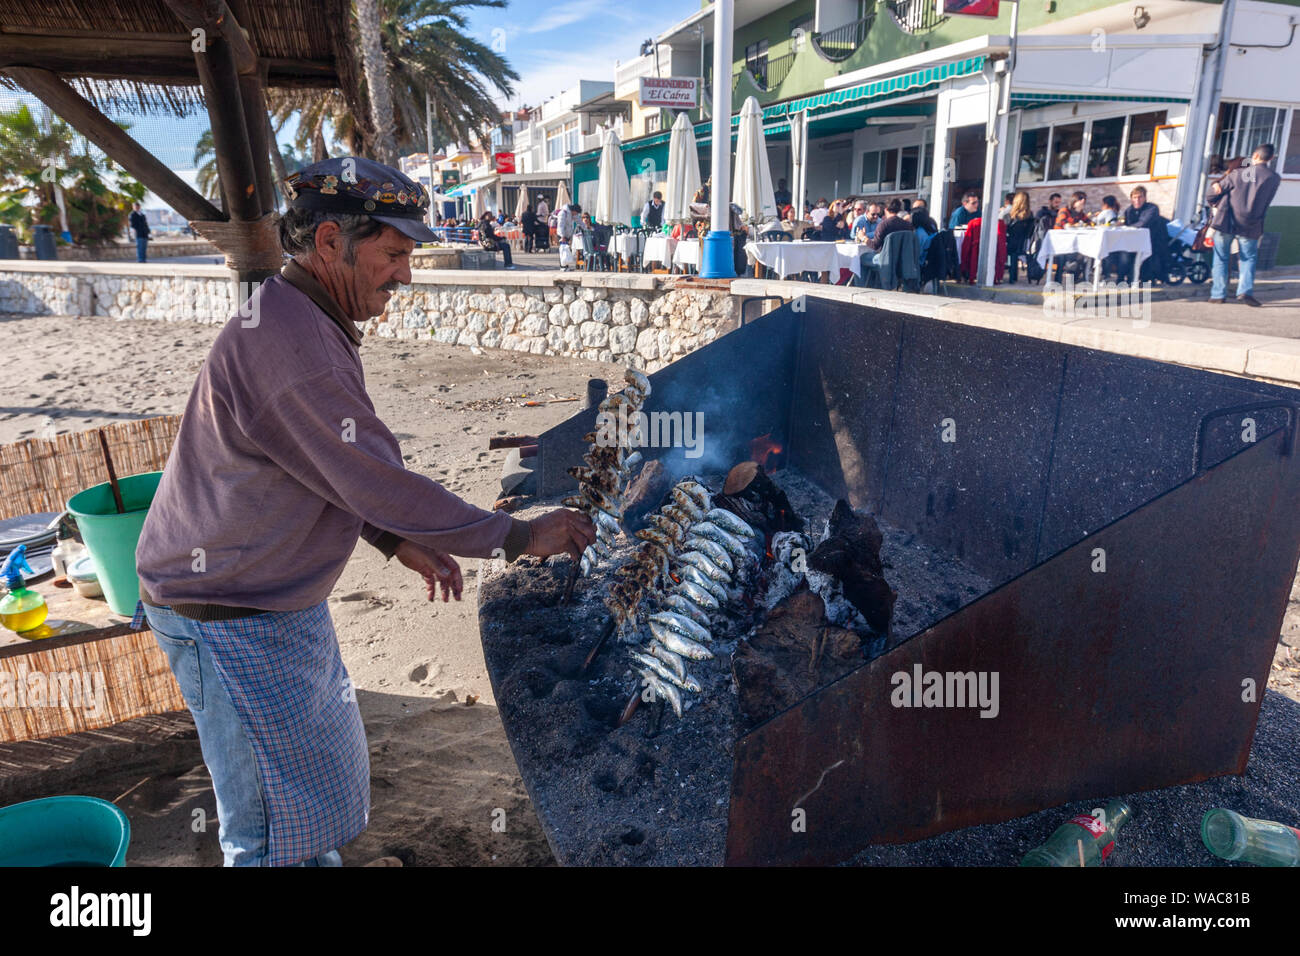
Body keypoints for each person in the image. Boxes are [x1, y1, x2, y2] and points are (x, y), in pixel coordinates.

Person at [135, 156, 594, 867]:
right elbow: (380, 477)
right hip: (224, 614)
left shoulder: (301, 313)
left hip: (269, 603)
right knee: (261, 832)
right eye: (395, 254)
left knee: (305, 797)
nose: (406, 275)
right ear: (329, 243)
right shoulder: (293, 344)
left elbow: (320, 465)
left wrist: (389, 539)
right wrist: (519, 535)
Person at [1207, 143, 1281, 306]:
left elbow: (1212, 194)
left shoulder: (1238, 174)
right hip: (1251, 224)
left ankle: (1218, 294)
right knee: (1248, 258)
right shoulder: (1274, 178)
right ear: (1271, 158)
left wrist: (1215, 197)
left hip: (1227, 220)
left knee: (1221, 258)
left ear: (1255, 155)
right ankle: (1245, 292)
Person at [1004, 191, 1036, 284]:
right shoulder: (1030, 215)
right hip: (1025, 245)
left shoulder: (1009, 215)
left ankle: (1010, 276)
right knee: (1015, 248)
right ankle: (1017, 276)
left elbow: (1005, 231)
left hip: (1011, 245)